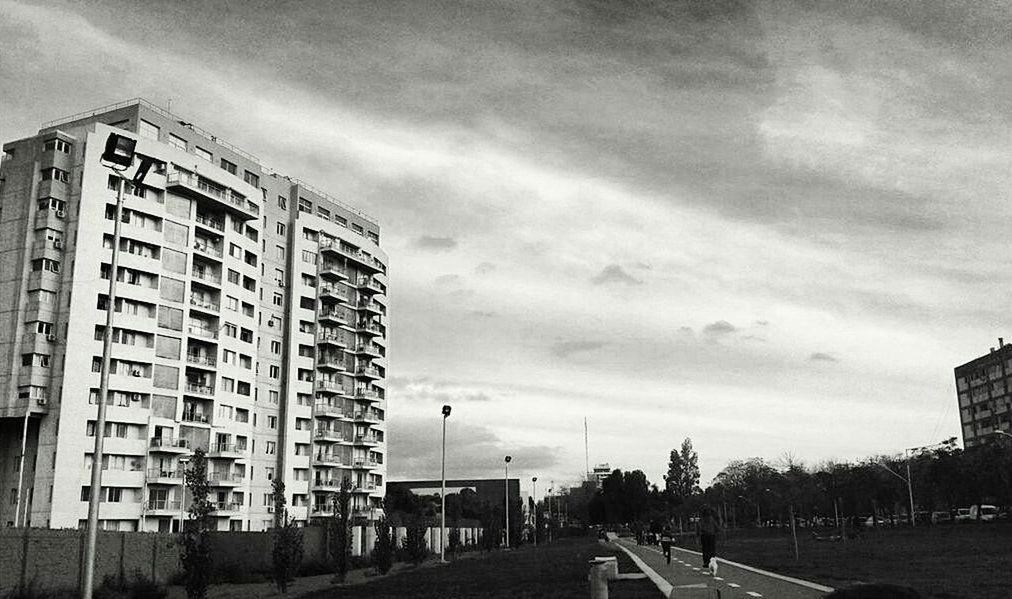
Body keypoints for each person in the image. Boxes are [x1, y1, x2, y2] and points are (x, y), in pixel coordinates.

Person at [697, 505, 721, 571]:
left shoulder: (701, 520)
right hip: (712, 535)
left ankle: (706, 562)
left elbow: (699, 528)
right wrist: (717, 531)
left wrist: (698, 535)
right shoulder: (712, 519)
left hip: (704, 536)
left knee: (705, 549)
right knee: (712, 549)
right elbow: (717, 527)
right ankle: (712, 561)